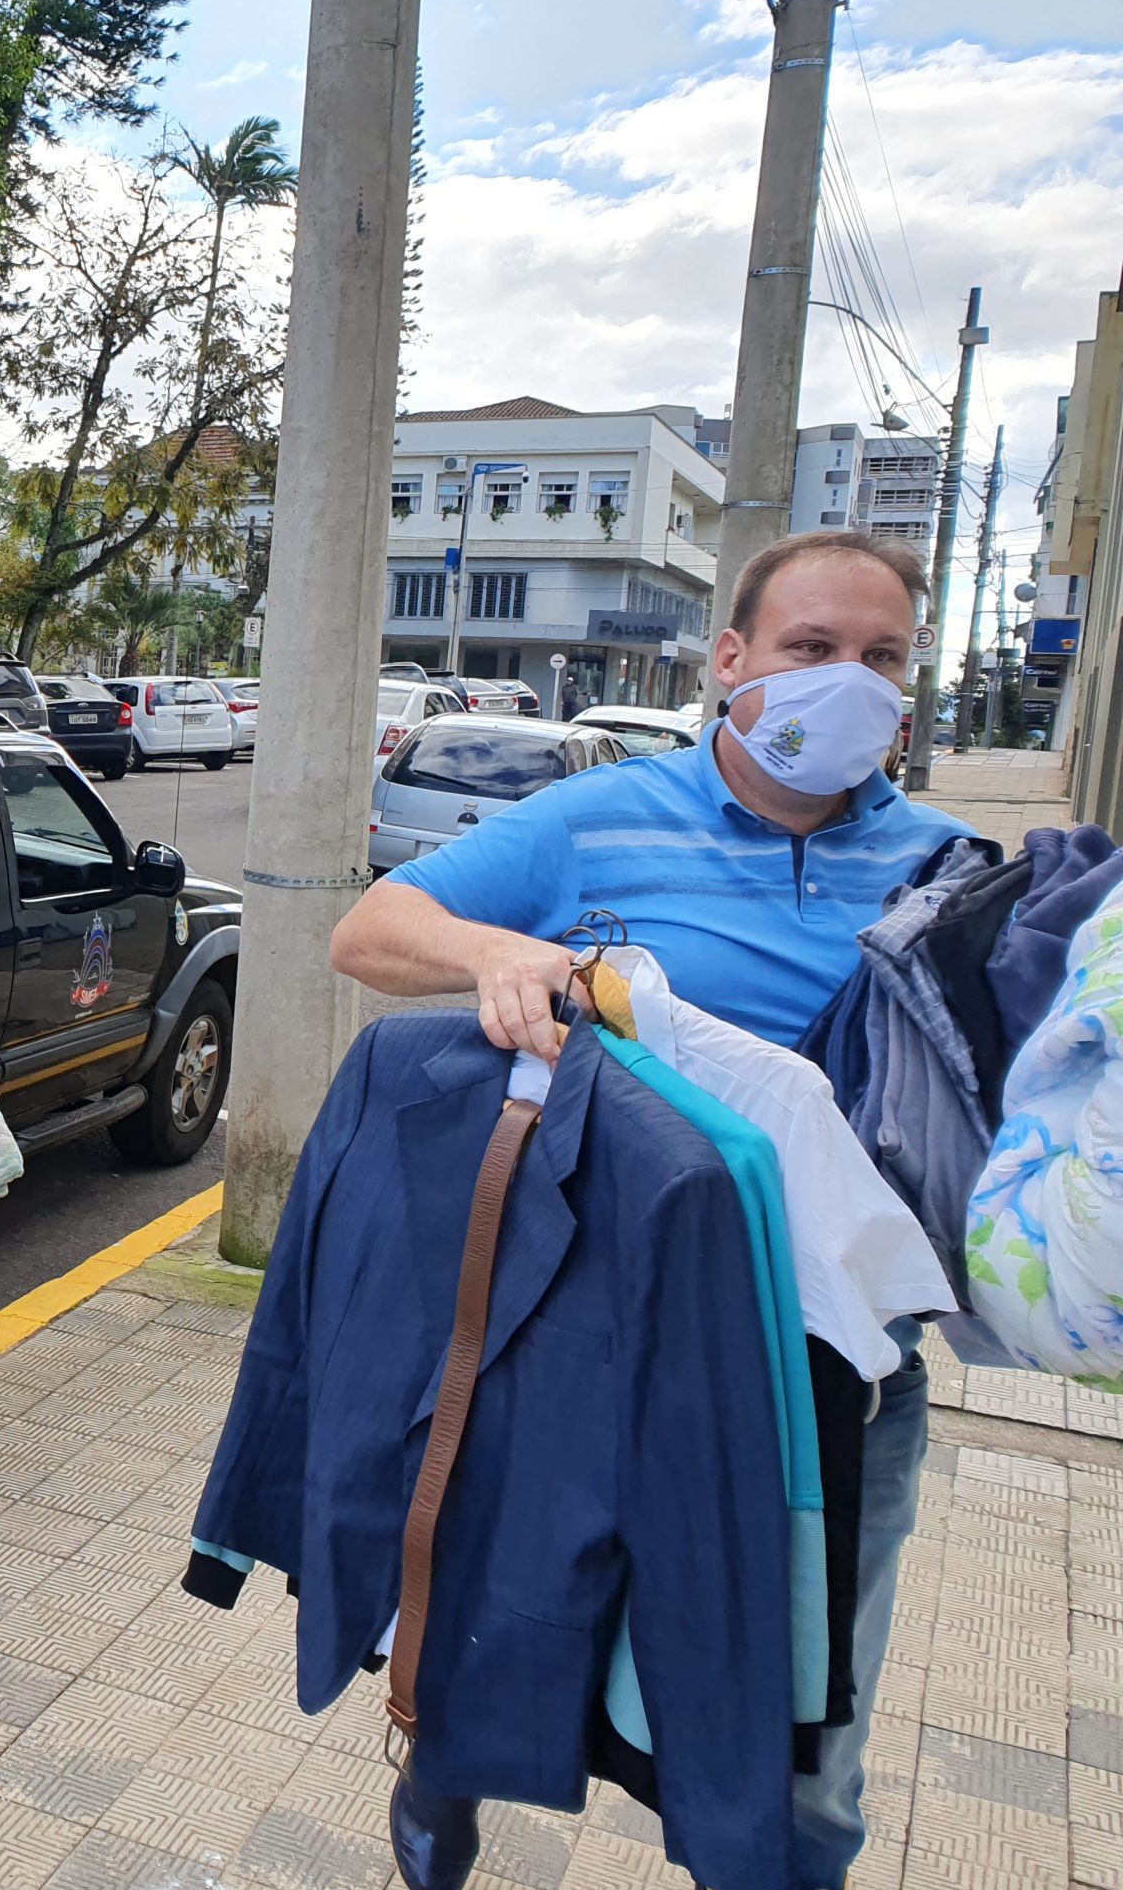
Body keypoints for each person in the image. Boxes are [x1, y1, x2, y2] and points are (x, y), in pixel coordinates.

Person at [329, 529, 971, 1890]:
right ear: (731, 660)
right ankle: (444, 1775)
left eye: (882, 659)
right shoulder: (598, 817)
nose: (848, 682)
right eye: (810, 648)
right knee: (515, 1594)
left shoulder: (949, 871)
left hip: (830, 1368)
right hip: (595, 1327)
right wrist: (501, 953)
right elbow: (371, 931)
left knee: (805, 1720)